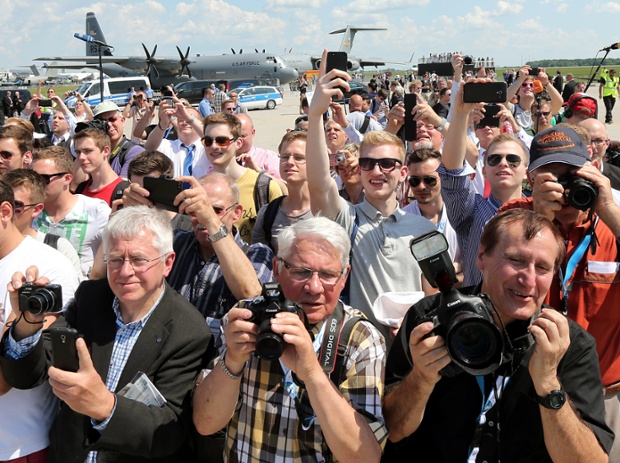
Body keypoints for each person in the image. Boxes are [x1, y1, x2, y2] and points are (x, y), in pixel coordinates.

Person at [382, 209, 613, 461]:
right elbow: (394, 431)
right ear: (481, 256)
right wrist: (421, 379)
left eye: (543, 268)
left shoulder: (567, 345)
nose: (528, 279)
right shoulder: (429, 319)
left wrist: (547, 383)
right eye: (516, 260)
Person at [0, 206, 212, 463]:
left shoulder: (188, 331)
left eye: (138, 260)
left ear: (168, 263)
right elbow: (25, 376)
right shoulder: (91, 298)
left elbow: (169, 431)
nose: (125, 272)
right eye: (115, 260)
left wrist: (104, 406)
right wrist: (27, 323)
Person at [192, 217, 388, 463]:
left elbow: (365, 458)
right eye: (301, 272)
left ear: (344, 277)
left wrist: (313, 374)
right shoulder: (246, 319)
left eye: (328, 274)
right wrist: (232, 360)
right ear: (276, 268)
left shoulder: (360, 339)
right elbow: (205, 423)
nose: (314, 287)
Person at [498, 125, 620, 461]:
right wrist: (538, 219)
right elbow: (499, 279)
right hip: (528, 385)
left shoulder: (613, 222)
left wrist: (607, 206)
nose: (565, 190)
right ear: (532, 179)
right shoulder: (514, 216)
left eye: (571, 176)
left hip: (605, 394)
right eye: (552, 178)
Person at [306, 51, 436, 332]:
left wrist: (414, 326)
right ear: (360, 170)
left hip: (410, 356)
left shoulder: (424, 230)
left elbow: (435, 298)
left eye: (387, 164)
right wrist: (316, 113)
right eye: (368, 163)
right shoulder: (348, 219)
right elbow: (318, 184)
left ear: (403, 173)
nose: (377, 172)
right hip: (358, 357)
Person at [0, 177, 79, 462]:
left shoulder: (49, 269)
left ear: (5, 212)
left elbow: (5, 378)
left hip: (19, 446)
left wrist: (17, 321)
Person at [167, 172, 274, 347]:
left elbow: (252, 294)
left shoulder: (257, 254)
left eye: (215, 210)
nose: (202, 216)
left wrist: (211, 221)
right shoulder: (175, 241)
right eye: (196, 209)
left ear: (237, 213)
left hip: (220, 365)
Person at [439, 80, 528, 286]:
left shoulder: (539, 211)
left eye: (513, 160)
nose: (503, 164)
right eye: (494, 159)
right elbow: (452, 171)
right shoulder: (471, 210)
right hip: (479, 311)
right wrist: (461, 114)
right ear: (484, 171)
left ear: (526, 171)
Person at [201, 112, 283, 243]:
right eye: (208, 141)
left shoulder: (264, 187)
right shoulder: (201, 187)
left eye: (222, 141)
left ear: (238, 143)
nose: (214, 146)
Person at [31, 146, 110, 277]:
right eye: (32, 179)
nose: (36, 185)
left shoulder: (96, 210)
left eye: (43, 179)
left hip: (80, 293)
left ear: (67, 179)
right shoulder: (27, 211)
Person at [4, 168, 83, 279]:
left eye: (16, 205)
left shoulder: (58, 247)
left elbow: (74, 293)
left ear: (36, 209)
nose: (6, 211)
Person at [253, 130, 313, 253]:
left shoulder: (329, 210)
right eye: (285, 157)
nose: (290, 162)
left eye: (299, 158)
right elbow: (258, 257)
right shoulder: (268, 213)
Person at [144, 99, 210, 178]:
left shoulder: (209, 146)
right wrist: (163, 123)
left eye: (189, 120)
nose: (185, 123)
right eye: (181, 120)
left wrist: (189, 119)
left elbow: (215, 136)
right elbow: (149, 148)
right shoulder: (167, 145)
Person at [73, 128, 127, 206]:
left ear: (106, 151)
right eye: (78, 152)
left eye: (87, 151)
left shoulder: (123, 192)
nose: (81, 157)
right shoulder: (81, 189)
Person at [92, 100, 145, 178]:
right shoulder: (93, 151)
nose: (109, 124)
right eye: (102, 122)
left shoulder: (135, 152)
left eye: (112, 119)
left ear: (123, 121)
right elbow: (75, 184)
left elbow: (121, 187)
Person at [235, 113, 282, 180]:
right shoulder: (220, 159)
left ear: (253, 133)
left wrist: (259, 171)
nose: (239, 141)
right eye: (235, 136)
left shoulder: (267, 158)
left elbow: (283, 187)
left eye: (243, 136)